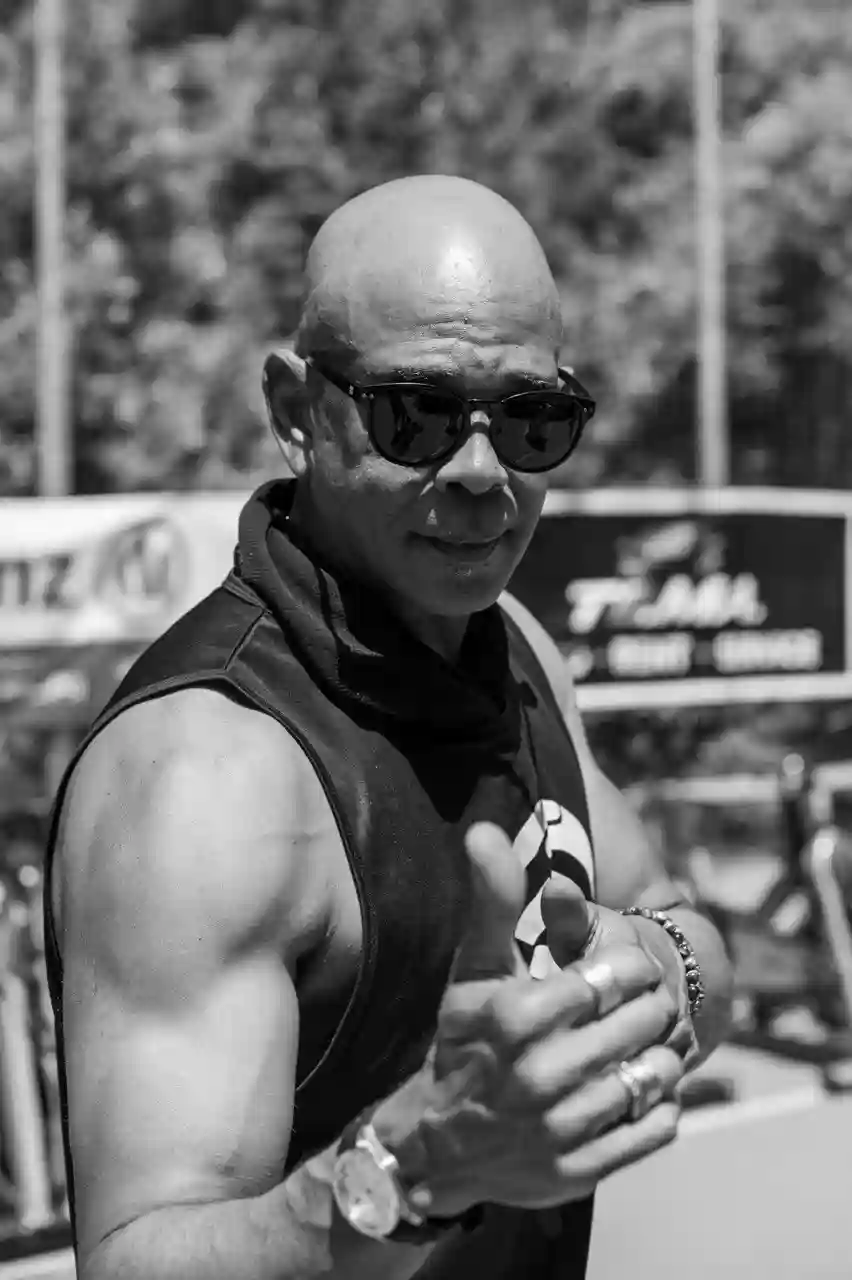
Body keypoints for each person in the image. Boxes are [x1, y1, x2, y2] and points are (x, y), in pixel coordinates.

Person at [43, 174, 733, 1280]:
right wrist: (414, 1168)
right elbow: (137, 1260)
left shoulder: (516, 649)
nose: (481, 474)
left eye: (532, 420)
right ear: (295, 412)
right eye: (415, 415)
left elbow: (681, 921)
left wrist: (651, 970)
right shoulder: (205, 774)